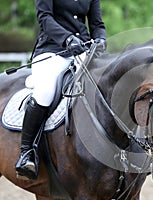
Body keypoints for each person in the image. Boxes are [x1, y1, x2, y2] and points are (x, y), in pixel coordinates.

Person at [15, 0, 107, 180]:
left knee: (107, 88)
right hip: (53, 50)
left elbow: (97, 24)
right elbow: (45, 18)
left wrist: (101, 39)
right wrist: (66, 38)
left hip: (83, 51)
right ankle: (27, 153)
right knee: (45, 92)